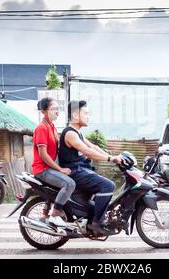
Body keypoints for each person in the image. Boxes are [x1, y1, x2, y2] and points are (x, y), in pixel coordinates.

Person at [59, 100, 122, 235]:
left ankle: (91, 219)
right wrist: (110, 159)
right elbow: (87, 151)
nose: (88, 116)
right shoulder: (70, 133)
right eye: (86, 113)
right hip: (75, 172)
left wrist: (113, 158)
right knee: (108, 186)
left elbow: (94, 147)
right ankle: (97, 224)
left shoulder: (77, 133)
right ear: (75, 116)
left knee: (96, 196)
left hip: (81, 170)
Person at [32, 97, 76, 227]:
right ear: (44, 111)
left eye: (58, 109)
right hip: (42, 169)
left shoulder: (51, 126)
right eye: (53, 109)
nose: (57, 111)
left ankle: (47, 212)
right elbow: (43, 154)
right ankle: (55, 215)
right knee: (69, 184)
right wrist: (60, 169)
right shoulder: (41, 128)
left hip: (49, 168)